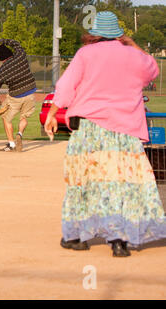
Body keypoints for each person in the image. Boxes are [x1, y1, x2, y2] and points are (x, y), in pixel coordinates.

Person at [44, 11, 166, 257]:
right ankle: (119, 240)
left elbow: (67, 86)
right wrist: (132, 44)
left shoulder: (86, 54)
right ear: (118, 34)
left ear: (95, 33)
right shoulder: (133, 55)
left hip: (91, 129)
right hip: (125, 130)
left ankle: (75, 236)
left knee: (84, 181)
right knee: (122, 184)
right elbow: (153, 70)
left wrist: (53, 112)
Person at [0, 37, 37, 152]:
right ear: (11, 53)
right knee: (24, 117)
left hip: (15, 96)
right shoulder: (20, 56)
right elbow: (16, 43)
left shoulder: (3, 70)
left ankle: (11, 144)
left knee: (6, 118)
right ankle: (19, 133)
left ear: (1, 59)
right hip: (30, 92)